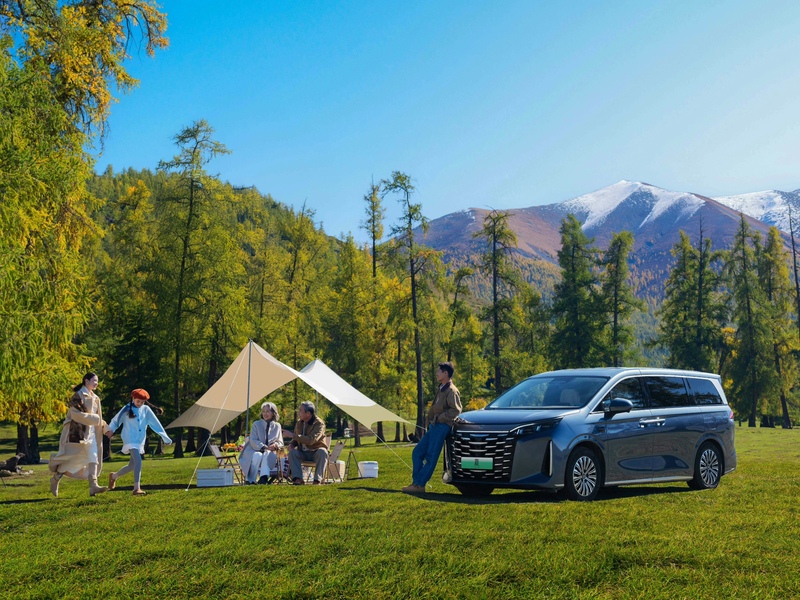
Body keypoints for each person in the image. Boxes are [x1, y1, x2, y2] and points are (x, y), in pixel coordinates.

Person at [402, 361, 462, 494]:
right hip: (435, 426)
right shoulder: (441, 388)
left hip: (442, 427)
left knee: (431, 457)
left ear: (445, 373)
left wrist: (440, 418)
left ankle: (419, 484)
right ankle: (416, 483)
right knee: (417, 452)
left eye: (439, 371)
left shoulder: (452, 391)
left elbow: (456, 410)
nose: (436, 374)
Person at [49, 372, 111, 498]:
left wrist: (106, 428)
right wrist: (95, 419)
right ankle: (55, 479)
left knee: (93, 457)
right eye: (94, 380)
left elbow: (99, 418)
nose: (96, 383)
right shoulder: (78, 396)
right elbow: (75, 415)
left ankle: (93, 485)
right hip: (77, 434)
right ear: (86, 381)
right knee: (69, 459)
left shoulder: (96, 398)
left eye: (97, 381)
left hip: (92, 434)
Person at [105, 389, 172, 496]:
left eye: (142, 402)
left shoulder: (146, 410)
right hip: (129, 439)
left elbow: (156, 424)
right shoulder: (126, 409)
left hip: (140, 441)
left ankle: (113, 476)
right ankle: (137, 488)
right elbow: (115, 421)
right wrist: (110, 430)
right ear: (133, 398)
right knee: (138, 461)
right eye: (138, 401)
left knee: (132, 466)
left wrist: (165, 438)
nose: (140, 404)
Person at [239, 402, 284, 484]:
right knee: (258, 455)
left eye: (268, 411)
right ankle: (250, 480)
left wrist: (275, 445)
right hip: (253, 450)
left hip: (270, 451)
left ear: (273, 413)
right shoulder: (256, 424)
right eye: (263, 411)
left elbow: (280, 442)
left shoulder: (277, 426)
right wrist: (263, 447)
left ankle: (263, 478)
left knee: (267, 453)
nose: (265, 414)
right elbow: (253, 440)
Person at [286, 401, 327, 485]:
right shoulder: (299, 423)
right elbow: (296, 439)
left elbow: (311, 440)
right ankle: (298, 479)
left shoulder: (319, 424)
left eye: (300, 410)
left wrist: (292, 435)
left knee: (323, 452)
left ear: (308, 413)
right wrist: (292, 444)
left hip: (315, 452)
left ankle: (317, 480)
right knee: (292, 452)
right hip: (303, 452)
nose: (298, 412)